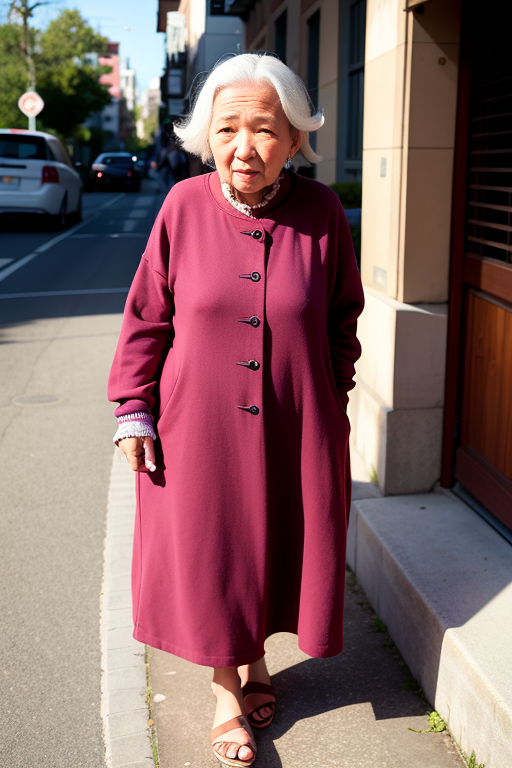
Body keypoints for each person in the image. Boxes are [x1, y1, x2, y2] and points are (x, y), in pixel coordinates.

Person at [107, 53, 364, 767]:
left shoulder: (320, 215)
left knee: (274, 545)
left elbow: (344, 315)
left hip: (295, 421)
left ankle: (256, 663)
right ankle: (227, 689)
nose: (243, 146)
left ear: (294, 139)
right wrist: (134, 408)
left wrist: (325, 391)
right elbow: (146, 319)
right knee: (215, 551)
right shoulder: (182, 206)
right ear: (205, 136)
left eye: (263, 129)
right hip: (199, 426)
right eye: (227, 129)